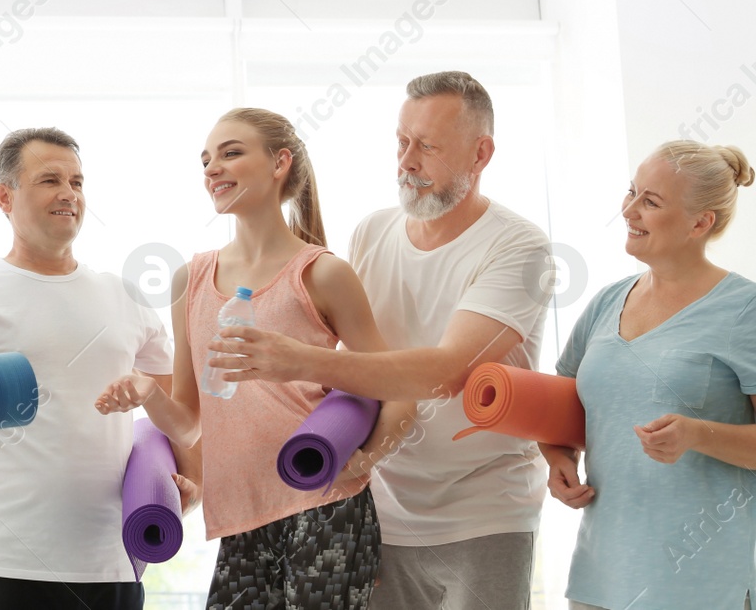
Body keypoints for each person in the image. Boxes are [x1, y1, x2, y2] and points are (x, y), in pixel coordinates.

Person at [212, 72, 553, 610]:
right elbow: (359, 366)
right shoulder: (371, 232)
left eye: (428, 146)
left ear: (481, 153)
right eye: (402, 141)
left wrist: (301, 360)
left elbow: (444, 372)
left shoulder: (519, 247)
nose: (407, 161)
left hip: (485, 510)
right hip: (381, 508)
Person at [97, 107, 413, 609]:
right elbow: (186, 422)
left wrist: (362, 460)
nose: (212, 170)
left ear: (279, 162)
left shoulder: (322, 274)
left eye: (231, 153)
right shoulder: (191, 279)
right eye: (205, 161)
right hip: (240, 518)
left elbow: (396, 388)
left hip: (326, 508)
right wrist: (146, 391)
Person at [0, 127, 201, 610]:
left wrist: (191, 482)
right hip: (4, 564)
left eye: (77, 181)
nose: (69, 193)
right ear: (4, 197)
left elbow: (180, 414)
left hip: (114, 560)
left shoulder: (125, 297)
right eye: (50, 180)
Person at [543, 140, 756, 610]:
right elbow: (559, 403)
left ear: (701, 223)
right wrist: (555, 455)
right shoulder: (606, 301)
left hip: (704, 583)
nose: (629, 210)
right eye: (632, 192)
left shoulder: (746, 310)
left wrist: (698, 434)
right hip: (603, 575)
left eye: (651, 202)